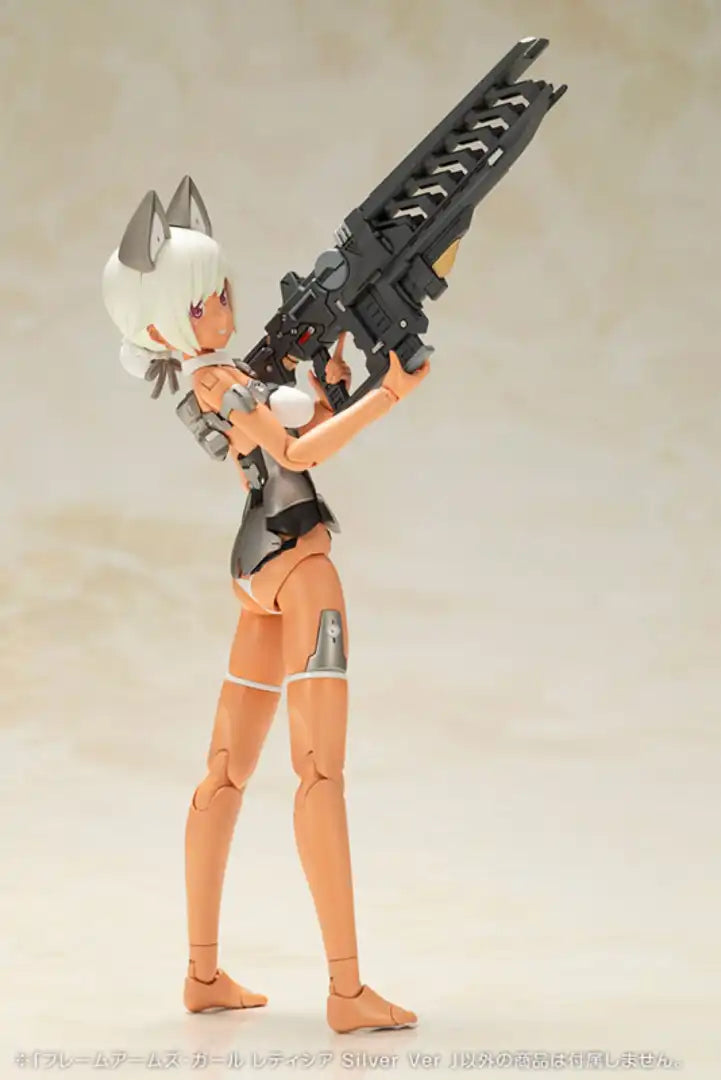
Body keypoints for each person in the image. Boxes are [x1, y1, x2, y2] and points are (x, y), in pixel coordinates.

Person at [102, 176, 430, 1033]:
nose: (223, 305)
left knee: (226, 771)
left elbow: (290, 435)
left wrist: (333, 386)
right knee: (318, 772)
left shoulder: (223, 380)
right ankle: (346, 991)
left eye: (220, 291)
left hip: (255, 572)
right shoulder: (224, 386)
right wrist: (387, 396)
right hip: (297, 563)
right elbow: (296, 450)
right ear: (167, 325)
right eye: (203, 300)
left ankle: (202, 975)